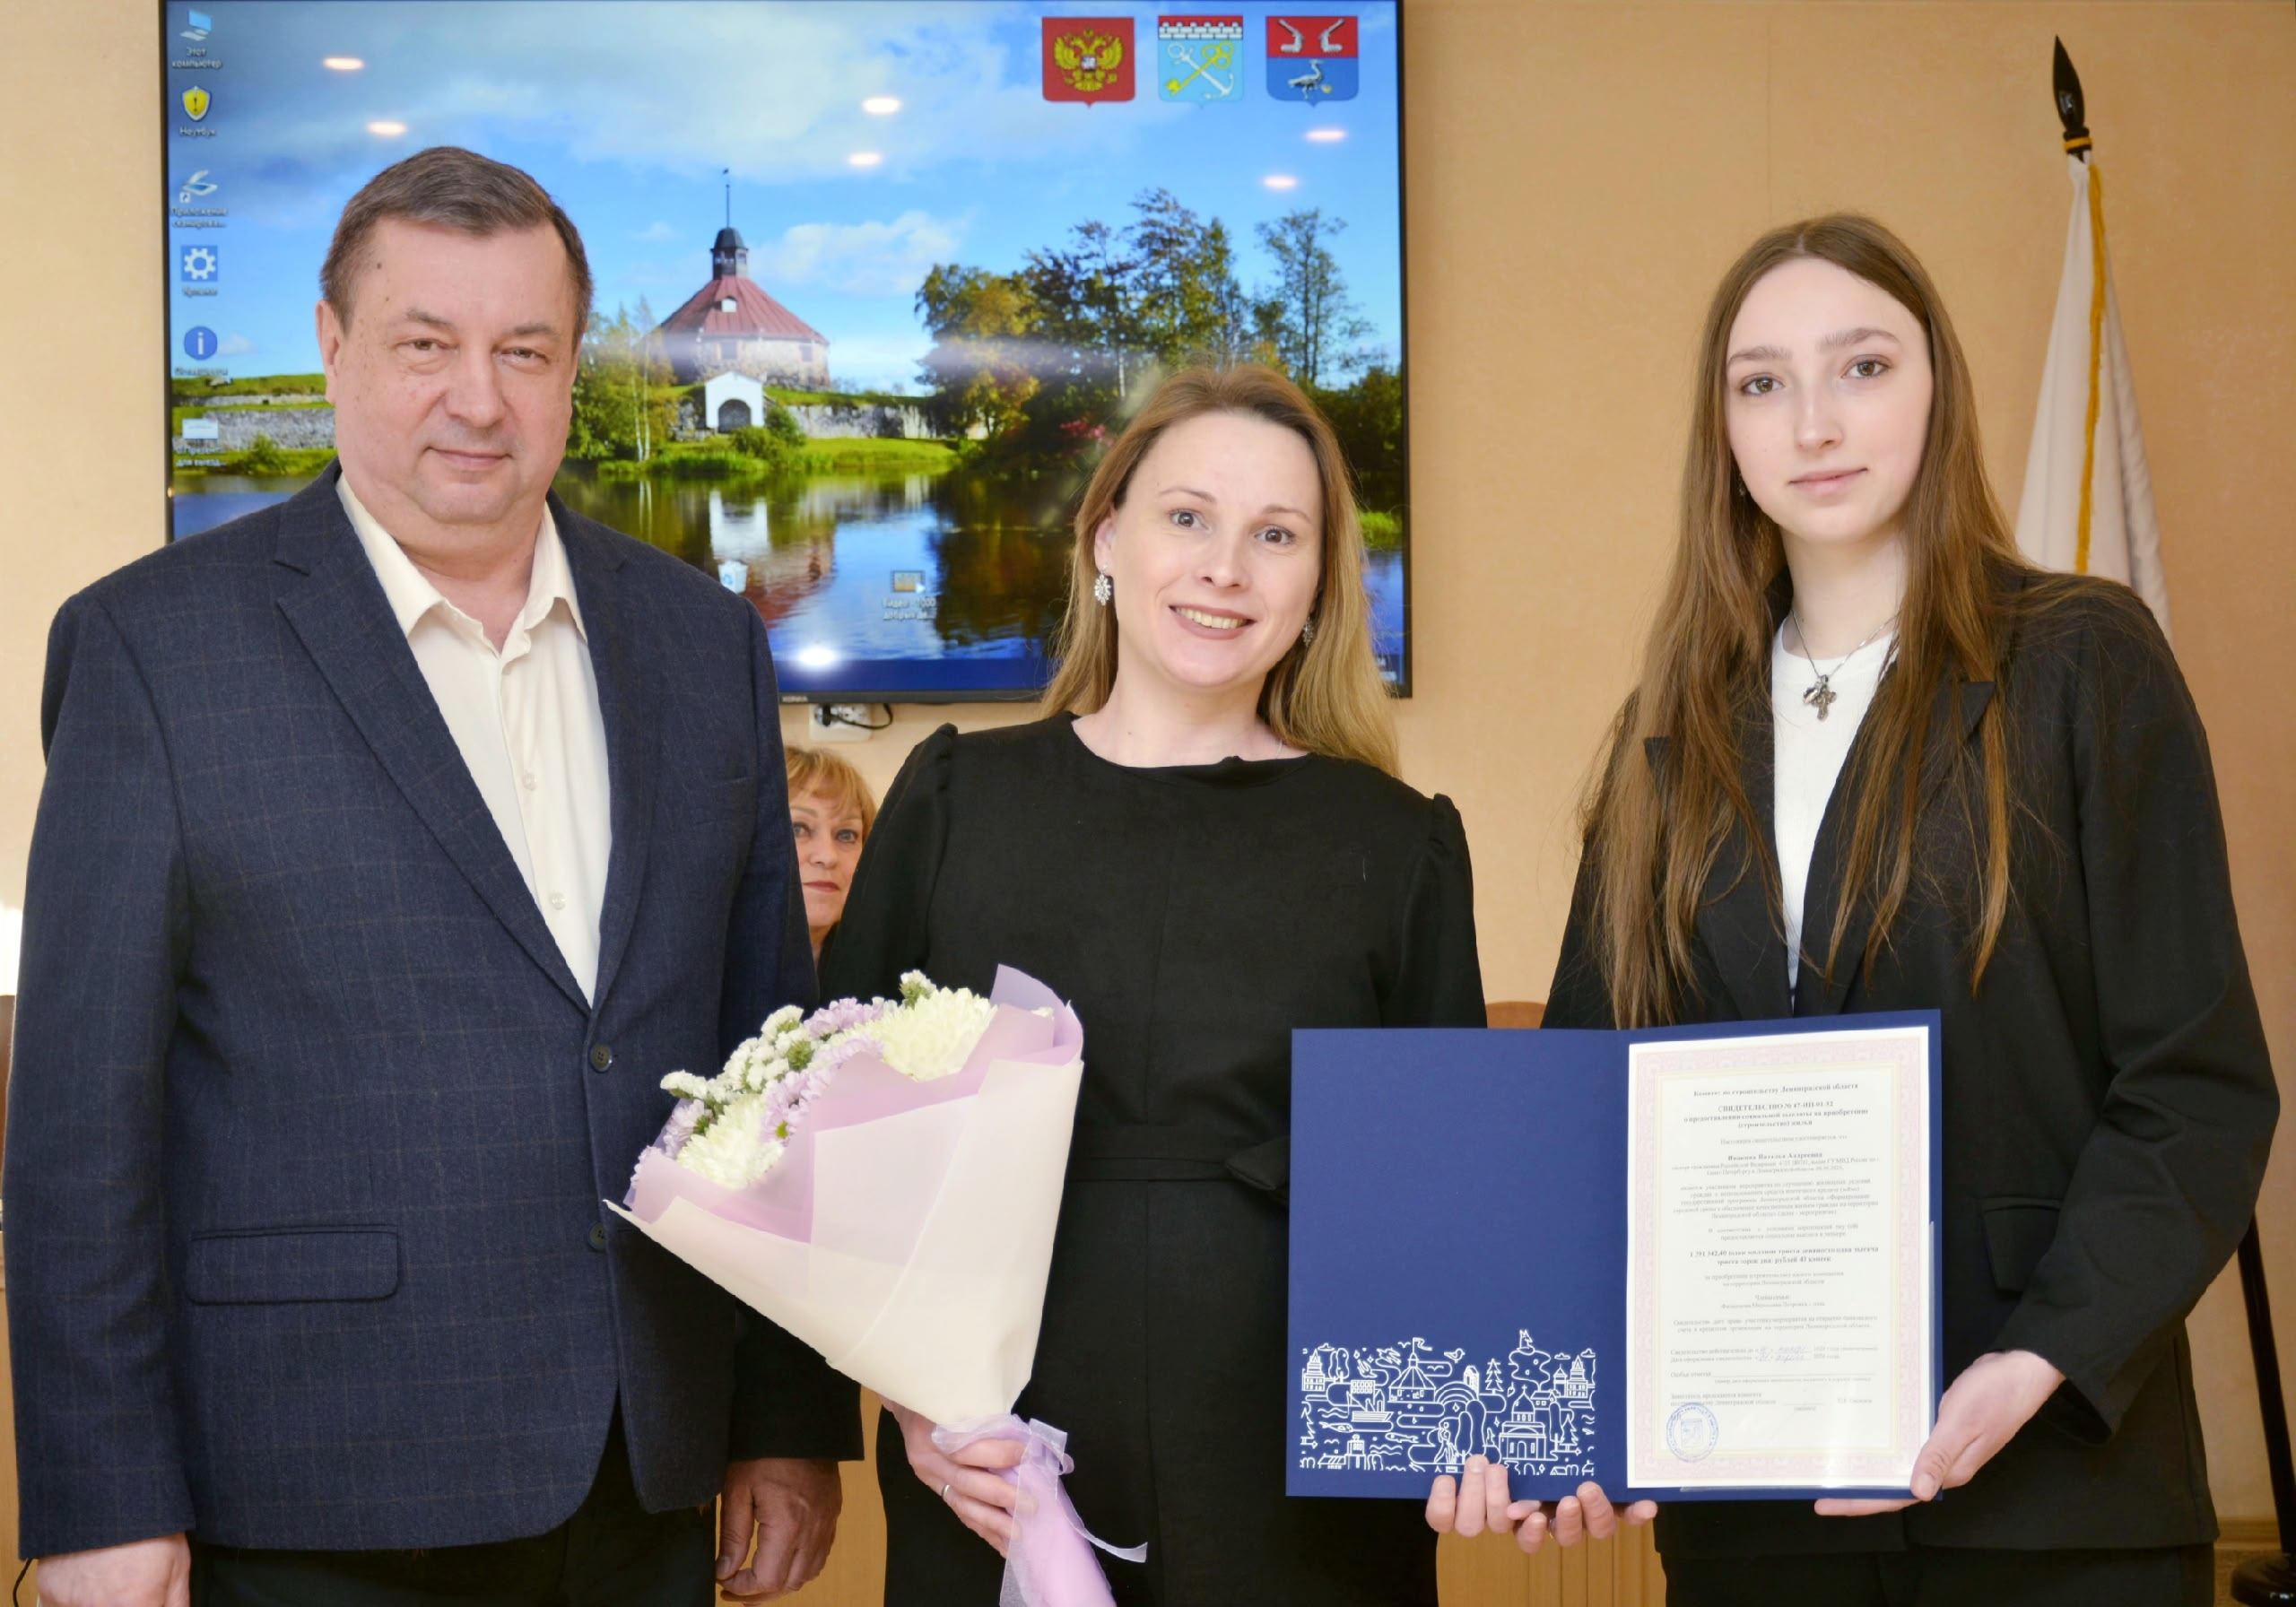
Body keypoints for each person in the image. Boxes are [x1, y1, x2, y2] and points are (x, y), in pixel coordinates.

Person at [5, 146, 858, 1607]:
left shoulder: (702, 640)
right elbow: (81, 1120)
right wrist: (100, 1500)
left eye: (523, 349)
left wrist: (785, 1419)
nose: (479, 398)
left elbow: (761, 1057)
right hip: (313, 1483)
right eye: (425, 344)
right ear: (333, 346)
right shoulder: (153, 648)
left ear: (572, 371)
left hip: (643, 1474)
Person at [1532, 214, 2275, 1604]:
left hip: (2055, 1501)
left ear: (1938, 389)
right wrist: (1557, 1419)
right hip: (1756, 1521)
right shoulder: (1668, 733)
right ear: (1724, 434)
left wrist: (2038, 1361)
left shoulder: (2082, 661)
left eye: (1862, 366)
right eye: (1762, 382)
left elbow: (2196, 1085)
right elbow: (1589, 1108)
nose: (1813, 421)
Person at [822, 366, 1485, 1605]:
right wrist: (911, 1407)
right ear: (1107, 538)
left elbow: (1444, 1195)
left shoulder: (1401, 844)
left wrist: (1483, 1423)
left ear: (1318, 584)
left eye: (1276, 535)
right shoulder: (958, 798)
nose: (1225, 568)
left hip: (1301, 1472)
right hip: (995, 1455)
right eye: (1187, 517)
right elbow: (829, 1134)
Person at [784, 744, 876, 968]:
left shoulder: (899, 971)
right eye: (798, 829)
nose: (828, 856)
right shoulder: (707, 968)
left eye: (846, 835)